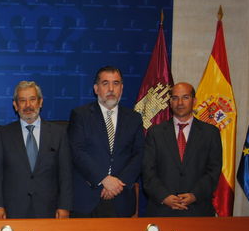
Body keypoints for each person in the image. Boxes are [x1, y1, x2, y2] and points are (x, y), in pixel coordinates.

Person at [68, 66, 144, 218]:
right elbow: (76, 152)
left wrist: (117, 184)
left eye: (116, 83)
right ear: (96, 89)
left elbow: (139, 154)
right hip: (87, 200)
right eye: (105, 83)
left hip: (121, 198)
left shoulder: (134, 118)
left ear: (121, 88)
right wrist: (103, 179)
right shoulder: (81, 115)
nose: (111, 89)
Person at [0, 81, 72, 218]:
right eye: (22, 100)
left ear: (40, 102)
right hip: (13, 209)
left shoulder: (59, 133)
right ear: (15, 105)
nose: (28, 105)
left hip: (49, 209)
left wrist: (64, 206)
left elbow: (65, 174)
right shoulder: (3, 134)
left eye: (32, 99)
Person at [142, 82, 222, 216]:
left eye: (185, 97)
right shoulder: (155, 133)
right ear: (170, 102)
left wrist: (195, 195)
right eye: (175, 98)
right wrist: (164, 197)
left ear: (194, 101)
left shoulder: (210, 133)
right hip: (162, 210)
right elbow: (147, 171)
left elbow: (213, 170)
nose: (180, 102)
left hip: (198, 210)